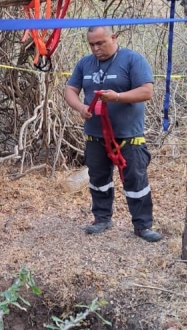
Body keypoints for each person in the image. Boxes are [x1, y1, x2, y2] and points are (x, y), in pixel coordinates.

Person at [64, 25, 162, 242]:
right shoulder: (85, 63)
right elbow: (70, 90)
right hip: (95, 135)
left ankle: (142, 226)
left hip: (128, 136)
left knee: (136, 181)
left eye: (100, 43)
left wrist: (117, 97)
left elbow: (147, 91)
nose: (96, 49)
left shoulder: (132, 60)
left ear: (113, 37)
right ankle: (102, 218)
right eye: (92, 45)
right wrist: (80, 107)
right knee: (98, 178)